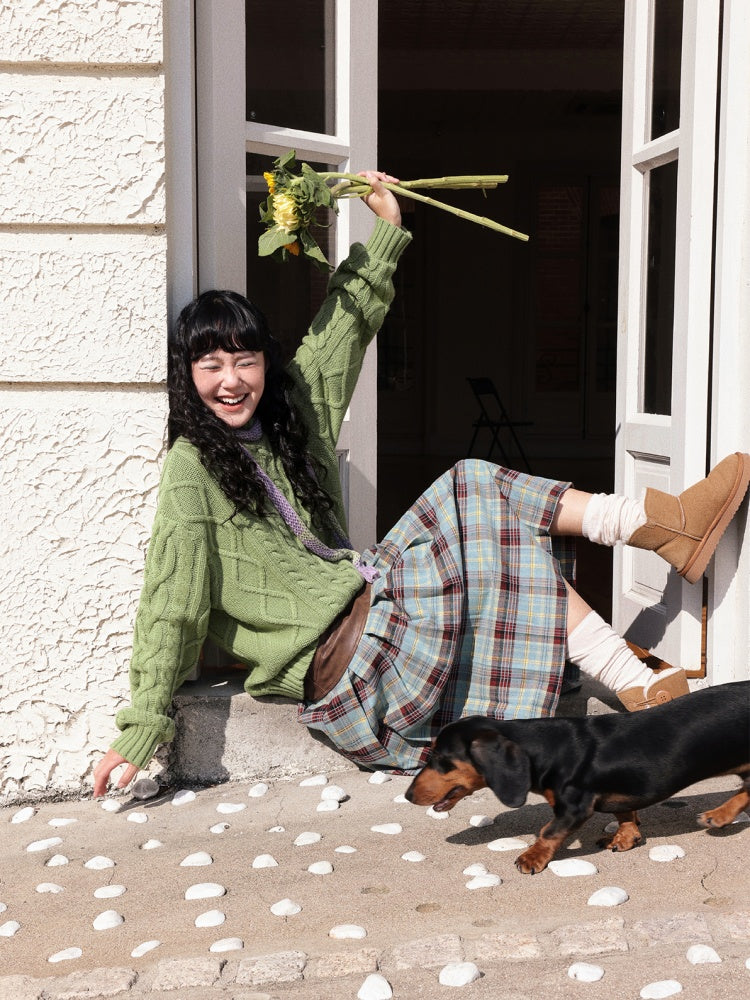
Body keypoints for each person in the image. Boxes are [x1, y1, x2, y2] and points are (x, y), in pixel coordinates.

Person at [93, 171, 750, 794]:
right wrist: (143, 724)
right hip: (353, 672)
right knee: (472, 489)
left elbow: (341, 330)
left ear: (265, 363)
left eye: (245, 360)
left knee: (489, 517)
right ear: (189, 376)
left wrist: (387, 228)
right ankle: (657, 530)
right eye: (211, 365)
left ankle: (637, 674)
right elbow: (171, 604)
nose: (231, 380)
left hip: (376, 616)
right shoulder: (193, 468)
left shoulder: (292, 419)